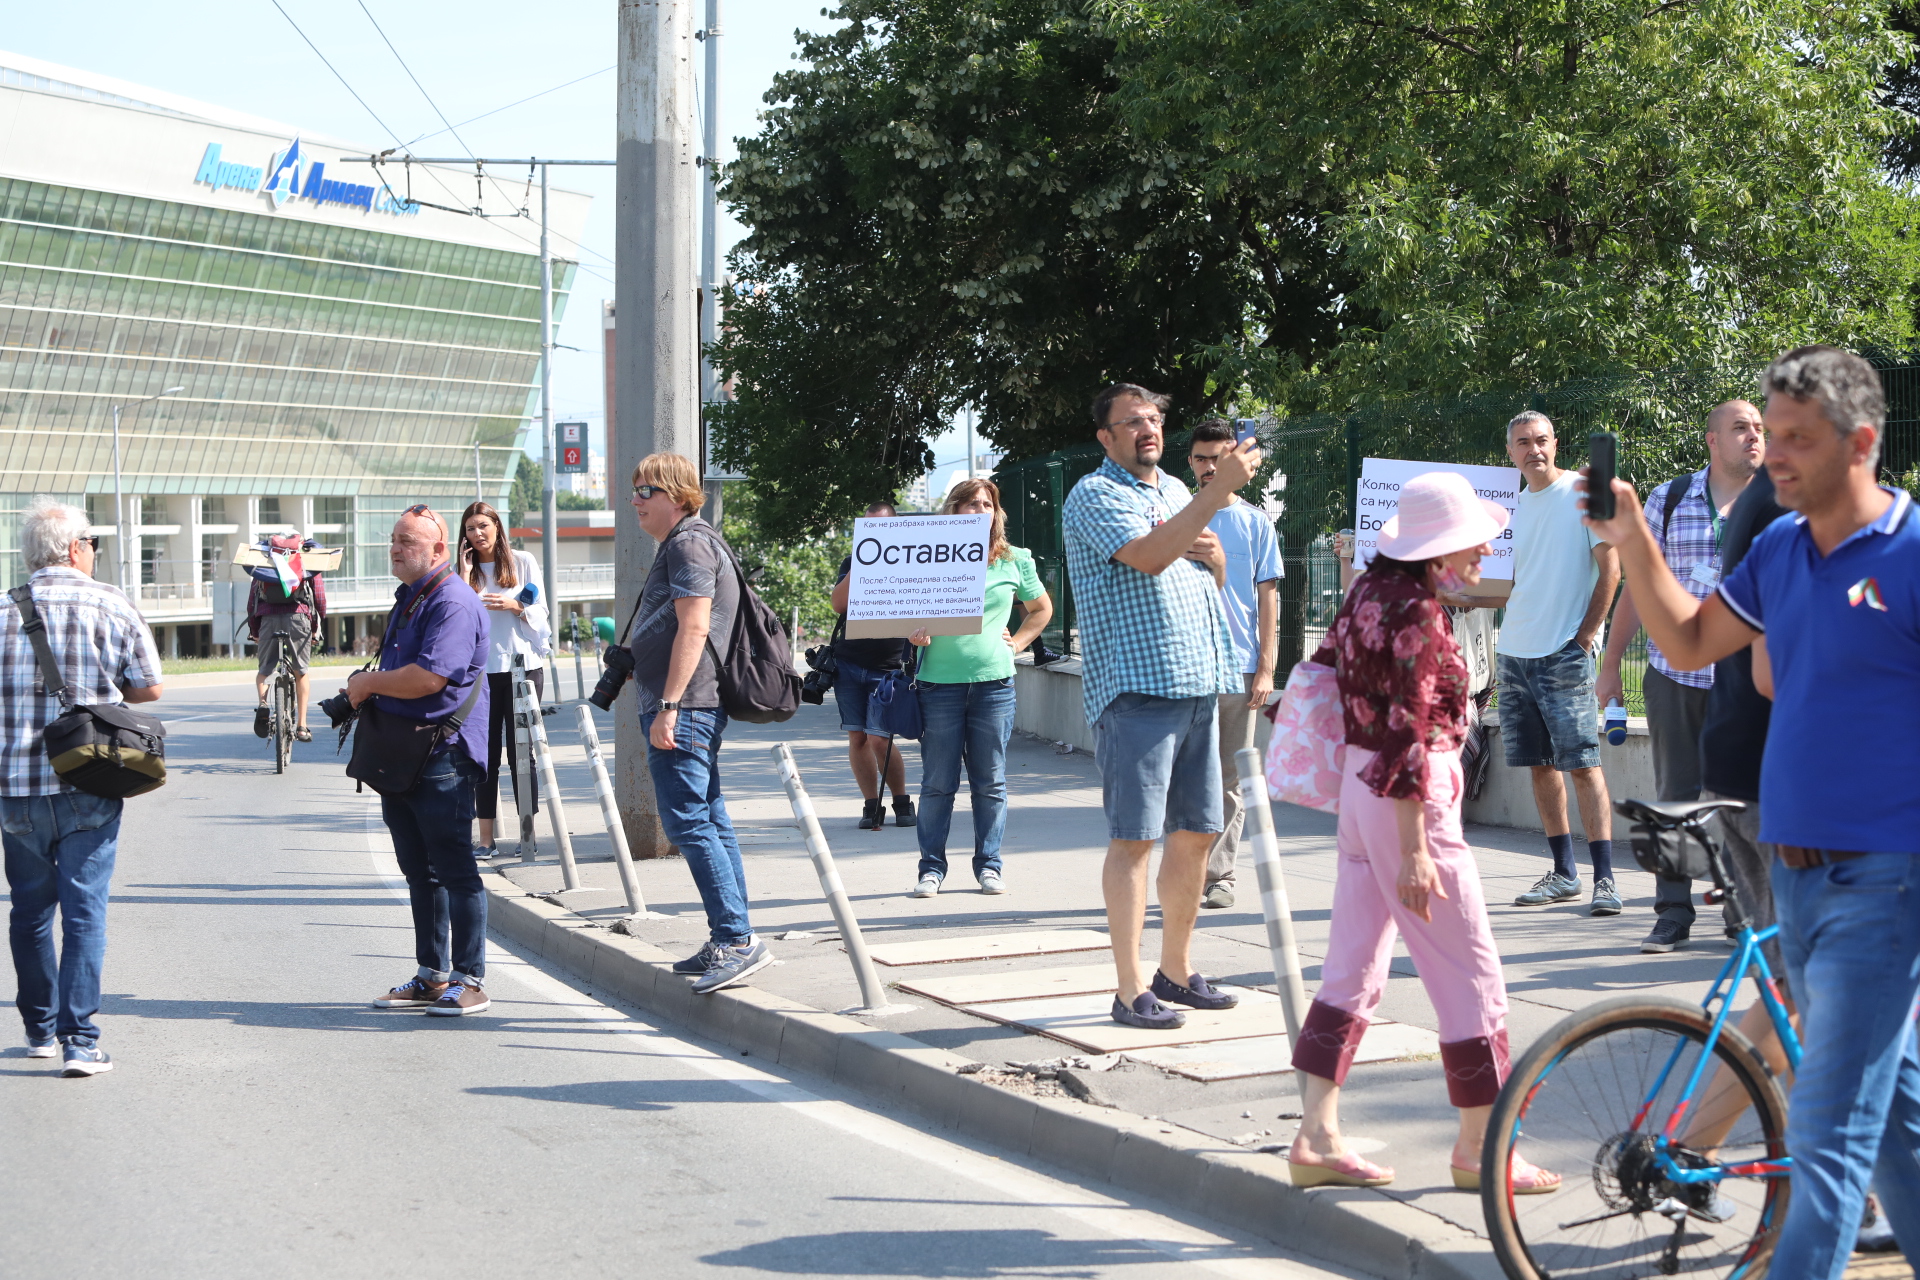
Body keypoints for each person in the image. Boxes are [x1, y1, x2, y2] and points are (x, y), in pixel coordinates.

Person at [1582, 345, 1920, 1276]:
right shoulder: (1778, 546)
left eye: (1795, 440)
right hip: (1795, 876)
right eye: (1768, 436)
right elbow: (1689, 635)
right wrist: (1633, 541)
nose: (1773, 456)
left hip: (1883, 882)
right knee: (1895, 1125)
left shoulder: (1913, 555)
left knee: (1827, 1138)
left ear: (1861, 443)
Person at [1286, 473, 1558, 1194]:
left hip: (1357, 788)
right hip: (1412, 801)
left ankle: (1315, 1135)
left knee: (1352, 969)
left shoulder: (1367, 592)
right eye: (1475, 539)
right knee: (1471, 974)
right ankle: (1482, 1148)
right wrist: (1413, 850)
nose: (1485, 548)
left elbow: (1325, 674)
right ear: (1439, 549)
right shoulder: (1421, 615)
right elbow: (1411, 731)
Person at [1062, 382, 1248, 1031]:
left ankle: (1175, 969)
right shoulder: (1095, 494)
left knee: (1199, 833)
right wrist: (1215, 494)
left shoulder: (1173, 491)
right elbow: (1147, 557)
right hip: (1138, 690)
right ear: (1106, 437)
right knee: (1135, 840)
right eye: (1131, 421)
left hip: (1200, 683)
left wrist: (1220, 558)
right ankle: (1128, 987)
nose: (1147, 429)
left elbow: (1204, 570)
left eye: (1153, 419)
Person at [1, 498, 163, 1077]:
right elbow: (149, 689)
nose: (94, 551)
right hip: (89, 777)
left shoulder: (2, 609)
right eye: (92, 541)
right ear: (74, 548)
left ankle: (39, 1030)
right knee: (84, 912)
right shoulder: (110, 603)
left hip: (16, 786)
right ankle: (80, 1041)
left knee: (29, 912)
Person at [1596, 400, 1765, 953]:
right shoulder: (1669, 500)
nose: (1754, 437)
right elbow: (1638, 590)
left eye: (1760, 429)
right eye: (1741, 428)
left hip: (1750, 678)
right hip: (1676, 674)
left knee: (1745, 800)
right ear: (1713, 439)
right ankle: (1672, 913)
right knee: (1674, 796)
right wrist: (1609, 664)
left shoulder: (1779, 504)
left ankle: (1745, 917)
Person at [629, 453, 773, 994]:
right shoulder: (690, 540)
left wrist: (667, 705)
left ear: (676, 494)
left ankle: (736, 940)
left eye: (646, 490)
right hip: (687, 704)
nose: (635, 500)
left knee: (689, 822)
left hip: (685, 706)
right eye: (635, 490)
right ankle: (732, 936)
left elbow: (693, 627)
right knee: (709, 819)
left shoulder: (689, 543)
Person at [356, 505, 493, 1017]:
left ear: (439, 549)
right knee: (419, 872)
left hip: (443, 755)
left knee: (455, 869)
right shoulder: (410, 598)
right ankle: (432, 976)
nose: (395, 548)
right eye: (393, 539)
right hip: (404, 754)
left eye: (407, 541)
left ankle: (470, 978)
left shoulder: (452, 601)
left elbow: (429, 679)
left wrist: (366, 684)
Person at [1497, 411, 1623, 916]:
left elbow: (1611, 568)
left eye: (1542, 440)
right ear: (1510, 452)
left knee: (1583, 766)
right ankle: (1564, 873)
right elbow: (1500, 584)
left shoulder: (1581, 491)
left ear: (1556, 443)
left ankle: (1607, 880)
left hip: (1564, 654)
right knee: (1540, 767)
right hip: (1514, 653)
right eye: (1523, 442)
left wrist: (1586, 635)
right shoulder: (1504, 506)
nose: (1534, 450)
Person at [904, 478, 1054, 897]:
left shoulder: (1013, 559)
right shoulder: (925, 555)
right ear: (953, 509)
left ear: (996, 513)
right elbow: (905, 609)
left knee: (990, 782)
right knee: (937, 783)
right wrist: (914, 633)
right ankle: (930, 869)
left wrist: (1019, 643)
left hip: (994, 684)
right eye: (970, 503)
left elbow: (1041, 609)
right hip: (938, 684)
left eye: (986, 503)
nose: (979, 510)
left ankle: (989, 866)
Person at [1187, 419, 1282, 910]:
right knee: (1184, 774)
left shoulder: (1255, 522)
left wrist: (1266, 667)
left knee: (1229, 775)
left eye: (1218, 458)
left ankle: (1219, 876)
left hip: (1238, 667)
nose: (1209, 467)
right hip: (1183, 665)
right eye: (1201, 458)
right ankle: (1184, 872)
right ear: (1190, 462)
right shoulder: (1175, 516)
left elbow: (1268, 596)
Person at [455, 501, 551, 855]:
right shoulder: (463, 571)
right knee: (484, 756)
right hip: (481, 674)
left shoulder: (523, 561)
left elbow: (541, 612)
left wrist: (515, 606)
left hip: (522, 669)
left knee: (521, 753)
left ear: (496, 526)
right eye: (469, 529)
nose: (477, 534)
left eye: (482, 525)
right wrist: (464, 576)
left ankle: (528, 835)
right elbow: (458, 618)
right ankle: (485, 840)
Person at [829, 500, 916, 830]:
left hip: (889, 665)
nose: (875, 532)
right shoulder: (853, 562)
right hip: (849, 662)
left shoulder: (910, 562)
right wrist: (861, 562)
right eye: (868, 527)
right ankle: (871, 805)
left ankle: (901, 800)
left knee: (881, 739)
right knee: (858, 737)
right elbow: (839, 604)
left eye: (881, 526)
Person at [247, 540, 326, 743]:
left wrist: (255, 631)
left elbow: (252, 602)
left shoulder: (264, 562)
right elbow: (319, 598)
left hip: (268, 620)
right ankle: (302, 726)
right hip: (298, 619)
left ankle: (264, 704)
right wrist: (316, 628)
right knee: (301, 672)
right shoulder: (306, 561)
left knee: (264, 671)